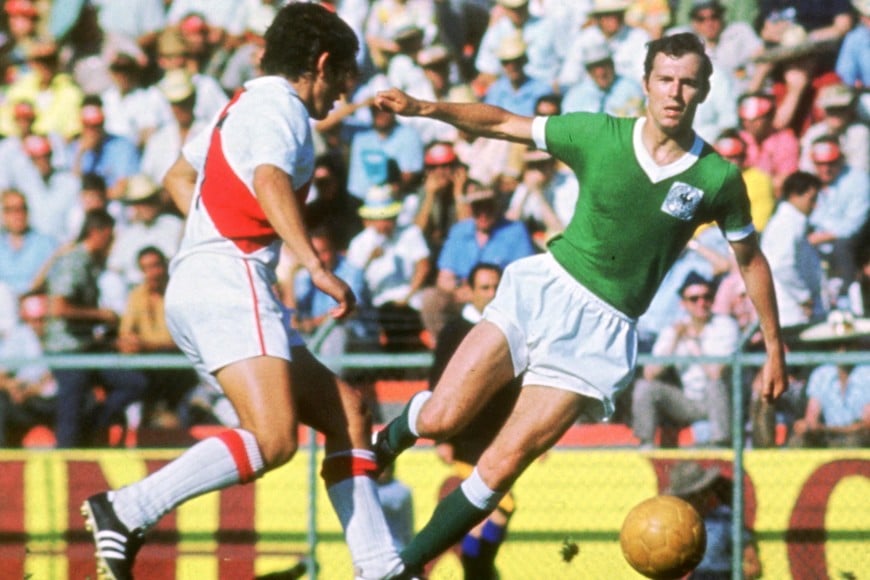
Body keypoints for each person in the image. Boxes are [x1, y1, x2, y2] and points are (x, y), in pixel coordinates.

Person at [371, 32, 787, 576]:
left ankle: (398, 569)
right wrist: (428, 108)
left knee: (501, 466)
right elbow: (501, 124)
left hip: (603, 333)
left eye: (688, 82)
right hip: (545, 290)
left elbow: (750, 260)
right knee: (443, 417)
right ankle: (384, 445)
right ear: (645, 83)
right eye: (665, 79)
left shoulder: (718, 178)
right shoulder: (598, 133)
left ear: (705, 91)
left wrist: (775, 347)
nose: (675, 92)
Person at [81, 6, 407, 580]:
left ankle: (380, 568)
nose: (345, 91)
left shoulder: (238, 104)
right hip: (230, 281)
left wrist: (210, 235)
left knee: (348, 414)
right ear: (322, 63)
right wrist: (314, 265)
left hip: (212, 276)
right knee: (274, 438)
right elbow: (269, 179)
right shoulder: (280, 109)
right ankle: (127, 507)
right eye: (346, 75)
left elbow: (178, 178)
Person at [429, 263, 519, 580]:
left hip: (501, 437)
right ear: (469, 291)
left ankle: (477, 567)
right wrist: (443, 439)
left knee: (493, 509)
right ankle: (477, 568)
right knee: (494, 507)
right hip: (466, 437)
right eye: (485, 288)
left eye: (496, 287)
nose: (491, 294)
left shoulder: (512, 327)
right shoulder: (455, 331)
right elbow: (438, 381)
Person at [45, 209, 149, 449]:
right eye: (110, 236)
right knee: (70, 412)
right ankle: (67, 461)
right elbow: (60, 308)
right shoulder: (75, 261)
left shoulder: (90, 263)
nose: (112, 243)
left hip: (85, 346)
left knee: (133, 383)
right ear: (97, 232)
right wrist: (101, 315)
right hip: (67, 350)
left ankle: (93, 425)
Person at [631, 272, 739, 448]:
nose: (701, 303)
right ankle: (646, 444)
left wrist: (691, 342)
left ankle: (721, 445)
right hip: (689, 401)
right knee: (644, 388)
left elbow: (715, 373)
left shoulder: (725, 326)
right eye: (694, 299)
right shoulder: (675, 329)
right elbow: (650, 373)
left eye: (707, 297)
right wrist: (674, 340)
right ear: (683, 303)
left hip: (723, 402)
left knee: (715, 386)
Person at [664, 461, 762, 580]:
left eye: (701, 492)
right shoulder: (674, 524)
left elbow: (752, 565)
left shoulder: (725, 520)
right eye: (686, 497)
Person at [788, 315, 870, 448]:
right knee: (798, 442)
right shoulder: (821, 374)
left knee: (854, 442)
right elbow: (812, 416)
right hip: (828, 436)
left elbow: (867, 425)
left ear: (856, 345)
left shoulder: (867, 373)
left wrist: (825, 429)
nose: (843, 350)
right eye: (837, 345)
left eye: (848, 344)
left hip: (858, 439)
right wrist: (806, 426)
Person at [760, 171, 826, 333]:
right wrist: (804, 297)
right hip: (790, 312)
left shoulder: (794, 223)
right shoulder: (786, 224)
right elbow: (782, 266)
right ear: (794, 195)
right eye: (812, 199)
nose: (815, 205)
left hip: (797, 311)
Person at [0, 189, 58, 298]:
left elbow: (53, 280)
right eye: (11, 210)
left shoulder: (46, 243)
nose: (17, 215)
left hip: (35, 301)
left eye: (21, 209)